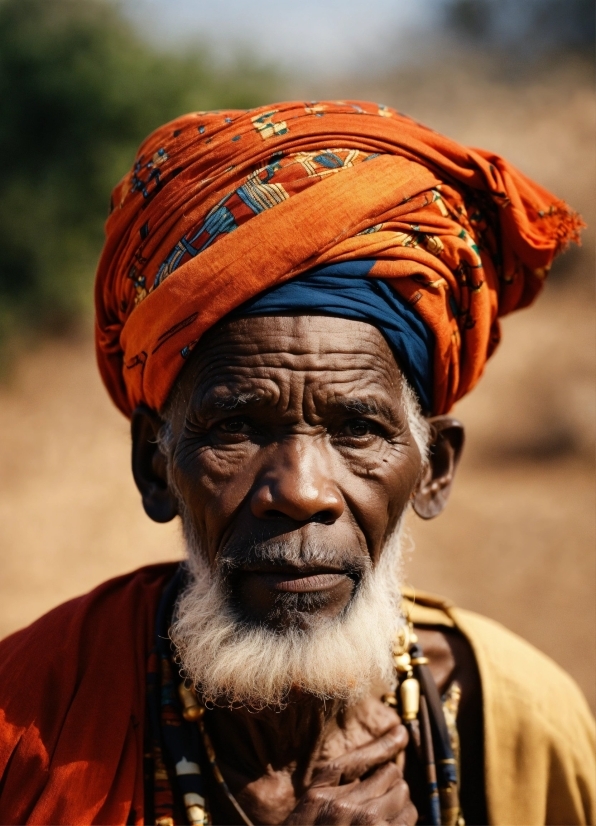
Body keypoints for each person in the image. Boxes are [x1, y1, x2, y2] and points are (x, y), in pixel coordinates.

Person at [0, 100, 593, 826]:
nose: (301, 492)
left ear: (435, 468)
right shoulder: (27, 719)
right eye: (238, 427)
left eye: (357, 429)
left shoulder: (520, 725)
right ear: (156, 467)